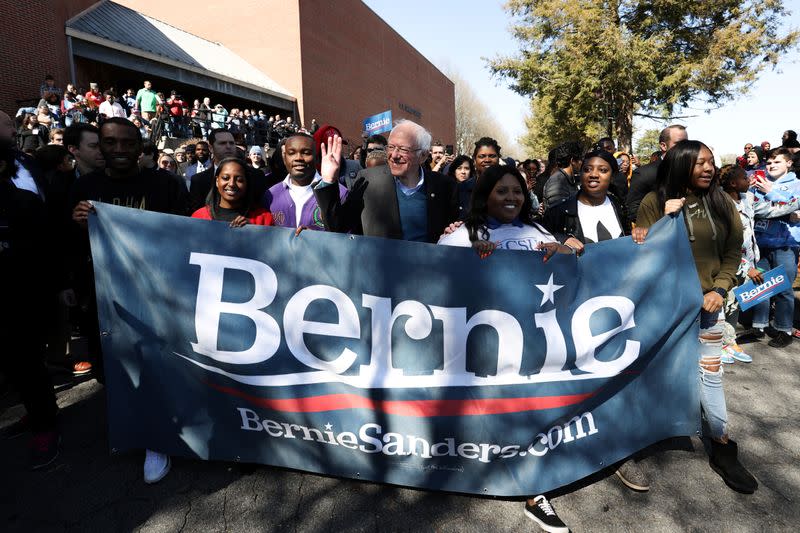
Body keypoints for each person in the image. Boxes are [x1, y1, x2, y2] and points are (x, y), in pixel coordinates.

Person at [438, 164, 573, 533]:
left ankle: (534, 492)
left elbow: (573, 270)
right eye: (502, 191)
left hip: (531, 347)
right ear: (486, 195)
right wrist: (468, 256)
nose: (511, 198)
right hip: (481, 344)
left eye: (517, 191)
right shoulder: (465, 232)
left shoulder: (537, 229)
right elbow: (431, 272)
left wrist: (561, 250)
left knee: (529, 413)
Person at [633, 140, 757, 495]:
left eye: (711, 162)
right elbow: (639, 253)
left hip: (708, 310)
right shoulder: (654, 203)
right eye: (699, 162)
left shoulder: (722, 202)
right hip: (664, 311)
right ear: (679, 164)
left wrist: (720, 288)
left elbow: (734, 249)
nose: (708, 168)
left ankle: (722, 446)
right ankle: (631, 441)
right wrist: (664, 220)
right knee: (651, 373)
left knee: (711, 376)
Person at [70, 117, 189, 484]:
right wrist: (76, 224)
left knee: (155, 368)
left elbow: (190, 235)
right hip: (104, 297)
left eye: (127, 143)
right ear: (100, 146)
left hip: (156, 297)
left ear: (141, 147)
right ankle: (131, 426)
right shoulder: (83, 189)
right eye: (110, 142)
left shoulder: (166, 185)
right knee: (115, 371)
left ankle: (157, 440)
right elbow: (66, 246)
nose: (119, 150)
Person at [0, 140, 62, 469]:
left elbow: (47, 251)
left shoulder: (24, 203)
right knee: (13, 366)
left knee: (26, 361)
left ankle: (45, 424)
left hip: (22, 299)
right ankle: (33, 410)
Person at [314, 120, 459, 242]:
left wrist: (457, 230)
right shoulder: (368, 181)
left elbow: (458, 231)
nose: (394, 155)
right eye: (390, 147)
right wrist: (328, 180)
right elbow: (336, 227)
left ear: (423, 155)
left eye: (403, 149)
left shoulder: (443, 186)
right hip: (379, 273)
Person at [749, 147, 800, 347]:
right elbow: (754, 207)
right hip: (760, 243)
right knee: (760, 284)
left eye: (777, 162)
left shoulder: (796, 184)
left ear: (789, 163)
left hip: (786, 244)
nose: (771, 166)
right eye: (769, 162)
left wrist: (771, 193)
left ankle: (784, 329)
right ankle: (758, 325)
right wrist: (780, 208)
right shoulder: (759, 181)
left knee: (784, 288)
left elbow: (792, 204)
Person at [543, 150, 630, 252]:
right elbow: (542, 241)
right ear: (580, 173)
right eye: (587, 169)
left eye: (603, 170)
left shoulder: (618, 205)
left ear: (612, 176)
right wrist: (561, 240)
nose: (593, 174)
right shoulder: (559, 211)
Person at [264, 132, 347, 230]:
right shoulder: (271, 195)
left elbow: (347, 238)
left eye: (306, 153)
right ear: (284, 158)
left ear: (316, 158)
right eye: (291, 153)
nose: (298, 158)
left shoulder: (340, 193)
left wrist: (314, 238)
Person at [189, 129, 269, 212]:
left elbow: (261, 210)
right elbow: (195, 216)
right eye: (222, 143)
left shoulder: (256, 176)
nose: (228, 146)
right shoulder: (198, 180)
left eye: (231, 143)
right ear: (210, 148)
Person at [626, 124, 688, 222]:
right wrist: (665, 217)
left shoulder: (690, 171)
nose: (685, 148)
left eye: (686, 143)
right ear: (663, 146)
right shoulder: (644, 174)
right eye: (679, 143)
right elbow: (633, 211)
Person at [192, 157, 273, 226]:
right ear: (217, 181)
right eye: (225, 178)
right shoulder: (199, 216)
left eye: (239, 180)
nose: (231, 184)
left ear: (247, 183)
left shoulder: (264, 218)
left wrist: (254, 229)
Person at [542, 141, 582, 210]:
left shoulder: (570, 179)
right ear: (572, 161)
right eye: (580, 159)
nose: (582, 162)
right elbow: (558, 213)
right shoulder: (556, 184)